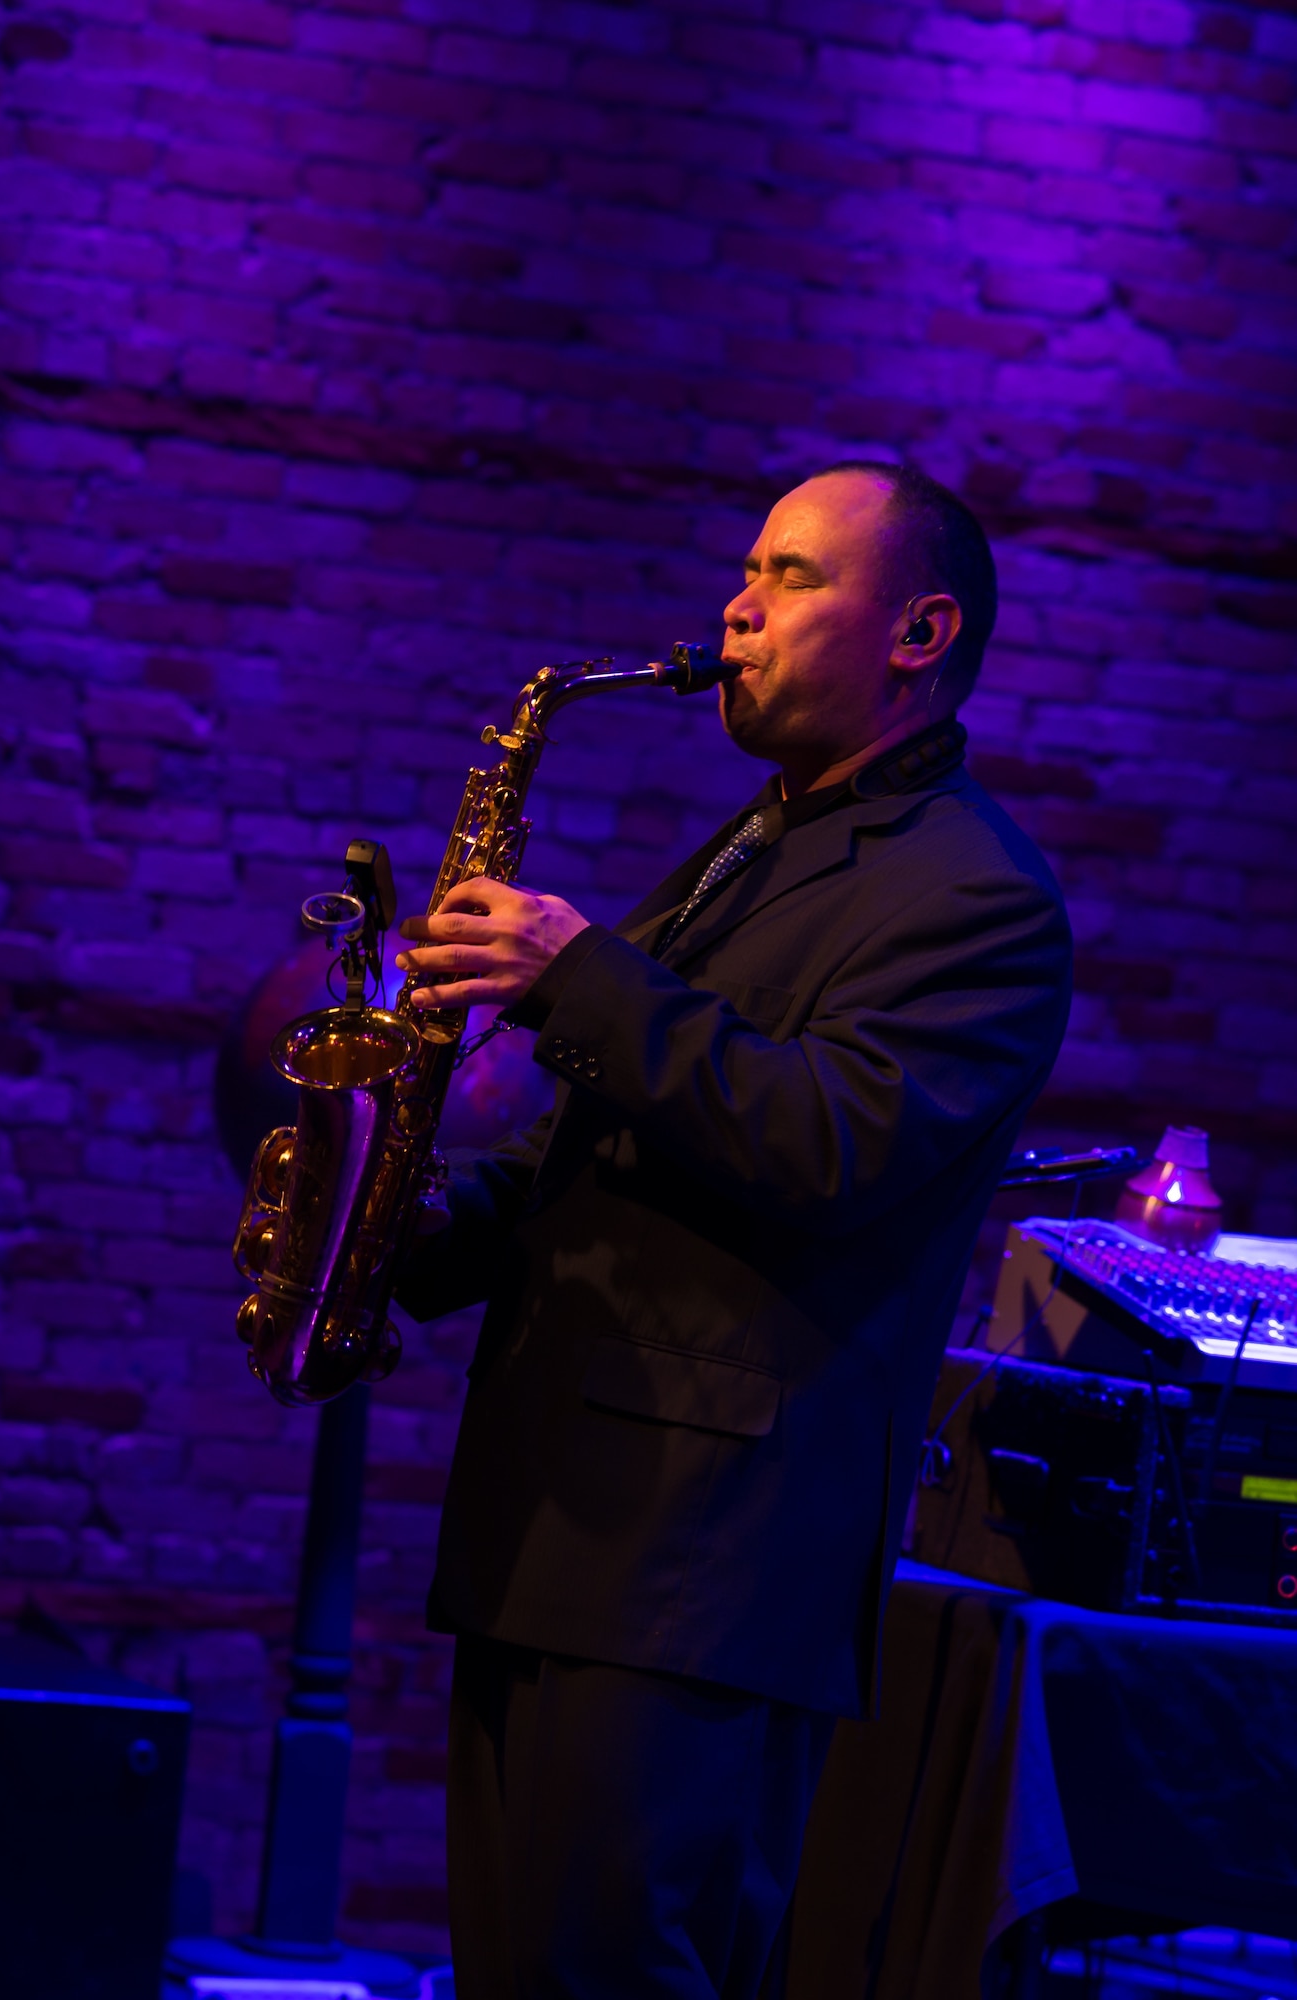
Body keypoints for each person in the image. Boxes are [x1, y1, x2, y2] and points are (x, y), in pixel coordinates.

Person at [394, 461, 1072, 1999]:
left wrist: (576, 974)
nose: (736, 605)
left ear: (920, 632)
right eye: (746, 569)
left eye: (790, 574)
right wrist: (402, 1222)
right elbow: (618, 1154)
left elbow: (826, 1141)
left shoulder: (979, 897)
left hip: (699, 1566)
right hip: (566, 1530)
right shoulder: (759, 844)